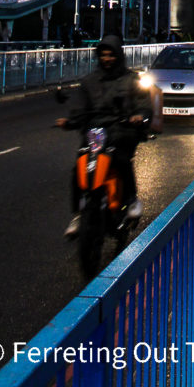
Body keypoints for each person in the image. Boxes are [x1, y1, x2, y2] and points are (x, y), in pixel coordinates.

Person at [56, 34, 152, 238]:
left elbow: (144, 104)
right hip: (96, 132)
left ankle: (131, 199)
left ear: (118, 56)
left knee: (121, 160)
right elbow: (79, 106)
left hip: (122, 130)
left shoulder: (131, 79)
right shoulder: (90, 81)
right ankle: (78, 214)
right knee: (79, 166)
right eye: (103, 55)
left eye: (110, 55)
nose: (107, 59)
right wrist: (71, 120)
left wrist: (139, 116)